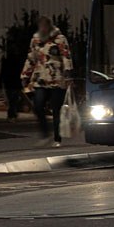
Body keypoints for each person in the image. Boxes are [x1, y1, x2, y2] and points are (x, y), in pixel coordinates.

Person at [21, 17, 73, 147]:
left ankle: (57, 138)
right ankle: (45, 134)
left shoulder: (60, 39)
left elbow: (66, 56)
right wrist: (25, 75)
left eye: (44, 26)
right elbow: (31, 58)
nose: (42, 28)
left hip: (56, 78)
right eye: (40, 26)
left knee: (56, 109)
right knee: (38, 105)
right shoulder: (36, 40)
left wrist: (68, 72)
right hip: (40, 79)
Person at [0, 44, 25, 122]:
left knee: (11, 100)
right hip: (16, 82)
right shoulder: (18, 61)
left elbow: (2, 72)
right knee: (14, 100)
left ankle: (12, 114)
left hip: (9, 83)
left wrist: (0, 83)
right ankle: (13, 114)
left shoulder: (6, 61)